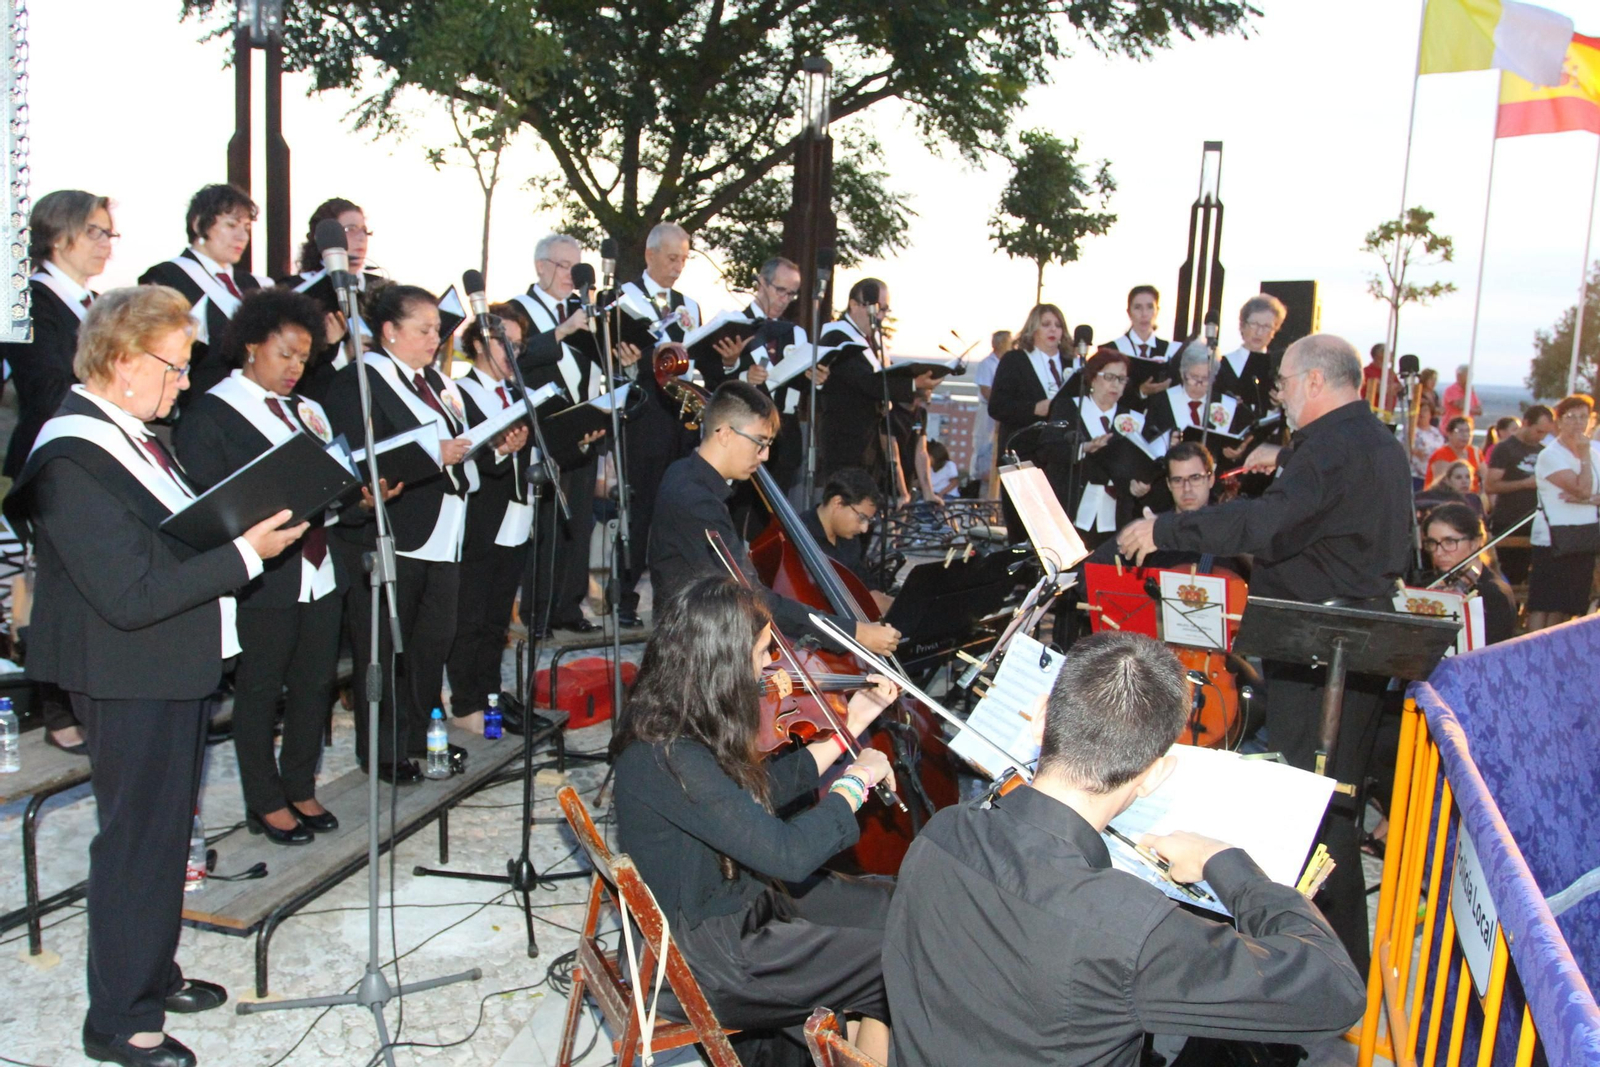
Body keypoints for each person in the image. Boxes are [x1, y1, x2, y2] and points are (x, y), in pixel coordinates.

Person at [2, 286, 306, 1067]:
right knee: (138, 841)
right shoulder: (69, 455)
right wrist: (246, 555)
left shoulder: (130, 432)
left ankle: (151, 970)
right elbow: (129, 591)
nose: (182, 383)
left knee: (167, 833)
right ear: (122, 360)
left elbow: (170, 532)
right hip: (126, 666)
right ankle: (117, 1019)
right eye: (173, 368)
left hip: (166, 660)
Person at [882, 630, 1365, 1067]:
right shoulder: (1131, 929)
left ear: (1041, 719)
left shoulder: (941, 834)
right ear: (1155, 775)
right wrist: (1231, 867)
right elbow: (1336, 992)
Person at [1117, 333, 1413, 973]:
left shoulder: (1330, 447)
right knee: (1333, 805)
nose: (1276, 394)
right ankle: (1337, 963)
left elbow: (1267, 525)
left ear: (1312, 381)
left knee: (1312, 811)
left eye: (1282, 381)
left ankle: (1314, 968)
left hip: (1322, 649)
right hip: (1357, 645)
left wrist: (1164, 527)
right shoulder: (1380, 443)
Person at [610, 576, 900, 1061]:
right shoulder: (668, 755)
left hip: (732, 907)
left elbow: (754, 796)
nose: (770, 663)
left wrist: (851, 725)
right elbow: (787, 854)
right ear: (722, 660)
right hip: (707, 956)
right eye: (763, 650)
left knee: (896, 907)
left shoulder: (673, 720)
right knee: (895, 961)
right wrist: (856, 782)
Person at [171, 289, 343, 847]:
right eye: (285, 354)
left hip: (319, 565)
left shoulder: (308, 410)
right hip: (263, 574)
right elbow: (207, 501)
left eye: (303, 358)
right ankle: (264, 800)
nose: (296, 368)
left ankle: (299, 782)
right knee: (261, 688)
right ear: (251, 345)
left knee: (315, 682)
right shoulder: (212, 412)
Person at [323, 284, 472, 784]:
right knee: (387, 645)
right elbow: (360, 455)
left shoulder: (433, 381)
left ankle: (419, 737)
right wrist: (434, 453)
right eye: (424, 329)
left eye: (437, 329)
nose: (435, 338)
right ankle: (382, 748)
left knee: (433, 640)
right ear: (389, 332)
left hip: (444, 528)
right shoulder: (363, 379)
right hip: (394, 526)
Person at [648, 380, 901, 656]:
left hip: (695, 638)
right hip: (692, 653)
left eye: (768, 444)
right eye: (759, 443)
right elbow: (750, 598)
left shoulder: (682, 473)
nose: (765, 455)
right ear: (724, 434)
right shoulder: (696, 501)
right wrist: (853, 633)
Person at [1, 190, 116, 756]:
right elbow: (45, 389)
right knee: (53, 591)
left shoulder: (92, 301)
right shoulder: (31, 301)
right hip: (50, 464)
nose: (105, 244)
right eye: (94, 231)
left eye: (108, 233)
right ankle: (55, 706)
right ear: (57, 235)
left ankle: (86, 694)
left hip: (91, 460)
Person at [509, 234, 611, 634]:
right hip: (541, 431)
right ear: (540, 267)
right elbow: (517, 356)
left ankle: (569, 607)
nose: (571, 275)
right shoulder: (519, 310)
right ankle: (536, 610)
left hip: (582, 427)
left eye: (575, 266)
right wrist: (562, 331)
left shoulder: (583, 310)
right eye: (563, 266)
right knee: (546, 523)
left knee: (579, 522)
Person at [445, 312, 535, 731]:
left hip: (517, 512)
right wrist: (501, 449)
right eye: (505, 344)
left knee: (498, 615)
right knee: (472, 614)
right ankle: (466, 702)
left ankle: (491, 695)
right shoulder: (457, 392)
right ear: (479, 344)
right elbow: (461, 454)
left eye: (517, 346)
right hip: (481, 515)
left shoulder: (520, 392)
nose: (512, 353)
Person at [614, 222, 702, 628]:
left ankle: (672, 601)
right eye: (671, 258)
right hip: (644, 415)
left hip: (683, 417)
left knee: (677, 509)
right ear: (650, 256)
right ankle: (624, 599)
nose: (678, 266)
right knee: (640, 508)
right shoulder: (623, 299)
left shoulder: (690, 305)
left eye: (684, 258)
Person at [137, 183, 272, 399]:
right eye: (231, 225)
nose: (242, 237)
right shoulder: (167, 278)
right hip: (201, 405)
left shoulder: (258, 285)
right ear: (199, 225)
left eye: (246, 227)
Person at [716, 255, 823, 498]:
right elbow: (714, 381)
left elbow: (802, 386)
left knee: (777, 514)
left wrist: (815, 378)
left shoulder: (795, 333)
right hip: (745, 430)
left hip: (786, 433)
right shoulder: (734, 323)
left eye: (792, 294)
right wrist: (741, 373)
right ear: (761, 283)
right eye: (780, 290)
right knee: (740, 508)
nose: (784, 300)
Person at [281, 198, 385, 401]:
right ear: (327, 238)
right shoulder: (299, 293)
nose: (361, 237)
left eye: (364, 230)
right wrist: (342, 354)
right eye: (350, 229)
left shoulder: (381, 288)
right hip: (325, 399)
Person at [1043, 348, 1148, 548]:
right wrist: (1084, 448)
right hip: (1071, 507)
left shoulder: (1133, 420)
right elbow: (1048, 449)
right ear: (1092, 378)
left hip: (1116, 514)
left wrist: (1140, 484)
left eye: (1121, 379)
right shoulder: (1069, 408)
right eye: (1109, 377)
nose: (1115, 385)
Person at [818, 278, 911, 494]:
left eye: (884, 310)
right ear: (853, 305)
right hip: (847, 443)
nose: (879, 316)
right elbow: (866, 382)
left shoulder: (872, 341)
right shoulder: (838, 336)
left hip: (870, 443)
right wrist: (912, 384)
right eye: (875, 308)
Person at [1526, 394, 1599, 631]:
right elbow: (1582, 487)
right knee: (1545, 604)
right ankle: (1533, 655)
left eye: (1583, 417)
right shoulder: (1551, 455)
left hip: (1584, 538)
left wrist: (1587, 501)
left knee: (1568, 606)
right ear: (1559, 422)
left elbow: (1585, 494)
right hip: (1553, 539)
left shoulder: (1596, 454)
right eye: (1571, 417)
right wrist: (1584, 457)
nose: (1578, 423)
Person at [1141, 341, 1254, 467]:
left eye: (1206, 378)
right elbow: (1147, 445)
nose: (1199, 384)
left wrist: (1234, 455)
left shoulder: (1226, 405)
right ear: (1182, 373)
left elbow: (1234, 451)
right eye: (1194, 377)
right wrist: (1166, 445)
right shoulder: (1161, 402)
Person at [1422, 502, 1517, 646]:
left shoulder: (1494, 593)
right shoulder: (1432, 583)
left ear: (1475, 543)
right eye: (1432, 543)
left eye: (1449, 542)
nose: (1438, 552)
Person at [987, 303, 1069, 459]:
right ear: (1033, 329)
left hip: (1060, 456)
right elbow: (997, 407)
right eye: (1046, 325)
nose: (1053, 329)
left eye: (1058, 325)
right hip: (1022, 452)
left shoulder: (1071, 363)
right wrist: (1034, 409)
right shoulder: (1015, 360)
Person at [1484, 404, 1553, 585]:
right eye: (1538, 431)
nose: (1541, 436)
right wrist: (1524, 484)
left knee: (1532, 577)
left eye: (1545, 433)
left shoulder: (1543, 451)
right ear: (1526, 423)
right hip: (1509, 520)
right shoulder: (1505, 449)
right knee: (1509, 574)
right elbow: (1491, 485)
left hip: (1536, 522)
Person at [803, 466, 888, 605]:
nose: (864, 528)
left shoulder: (850, 540)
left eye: (869, 521)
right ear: (838, 503)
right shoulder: (800, 537)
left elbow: (864, 586)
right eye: (862, 518)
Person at [1109, 284, 1181, 405]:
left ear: (1157, 311)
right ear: (1129, 312)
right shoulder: (1112, 349)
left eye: (1149, 307)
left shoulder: (1171, 350)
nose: (1144, 314)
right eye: (1137, 307)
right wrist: (1140, 391)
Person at [1213, 294, 1284, 414]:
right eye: (1254, 324)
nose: (1259, 331)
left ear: (1274, 331)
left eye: (1267, 326)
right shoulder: (1222, 364)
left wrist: (1281, 404)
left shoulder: (1281, 367)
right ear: (1242, 326)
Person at [965, 330, 1008, 493]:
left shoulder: (1004, 363)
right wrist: (1000, 404)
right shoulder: (987, 364)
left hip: (1000, 413)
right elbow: (985, 389)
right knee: (983, 443)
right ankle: (977, 478)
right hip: (989, 410)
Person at [1427, 416, 1484, 490]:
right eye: (1460, 431)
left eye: (1468, 431)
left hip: (1472, 498)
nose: (1465, 435)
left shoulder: (1475, 452)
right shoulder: (1441, 454)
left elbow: (1486, 479)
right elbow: (1441, 485)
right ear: (1449, 434)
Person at [1416, 461, 1484, 520]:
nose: (1464, 481)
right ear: (1448, 480)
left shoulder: (1474, 499)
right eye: (1458, 477)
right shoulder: (1439, 497)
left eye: (1467, 477)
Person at [1409, 397, 1447, 488]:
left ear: (1431, 414)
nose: (1422, 413)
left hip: (1432, 476)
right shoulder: (1409, 431)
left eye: (1425, 410)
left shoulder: (1436, 433)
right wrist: (1413, 450)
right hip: (1414, 475)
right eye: (1419, 411)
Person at [1362, 343, 1402, 414]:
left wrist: (1388, 388)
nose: (1391, 355)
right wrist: (1391, 388)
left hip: (1388, 413)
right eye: (1388, 352)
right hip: (1372, 413)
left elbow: (1399, 388)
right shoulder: (1367, 371)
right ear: (1380, 354)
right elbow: (1377, 388)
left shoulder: (1390, 373)